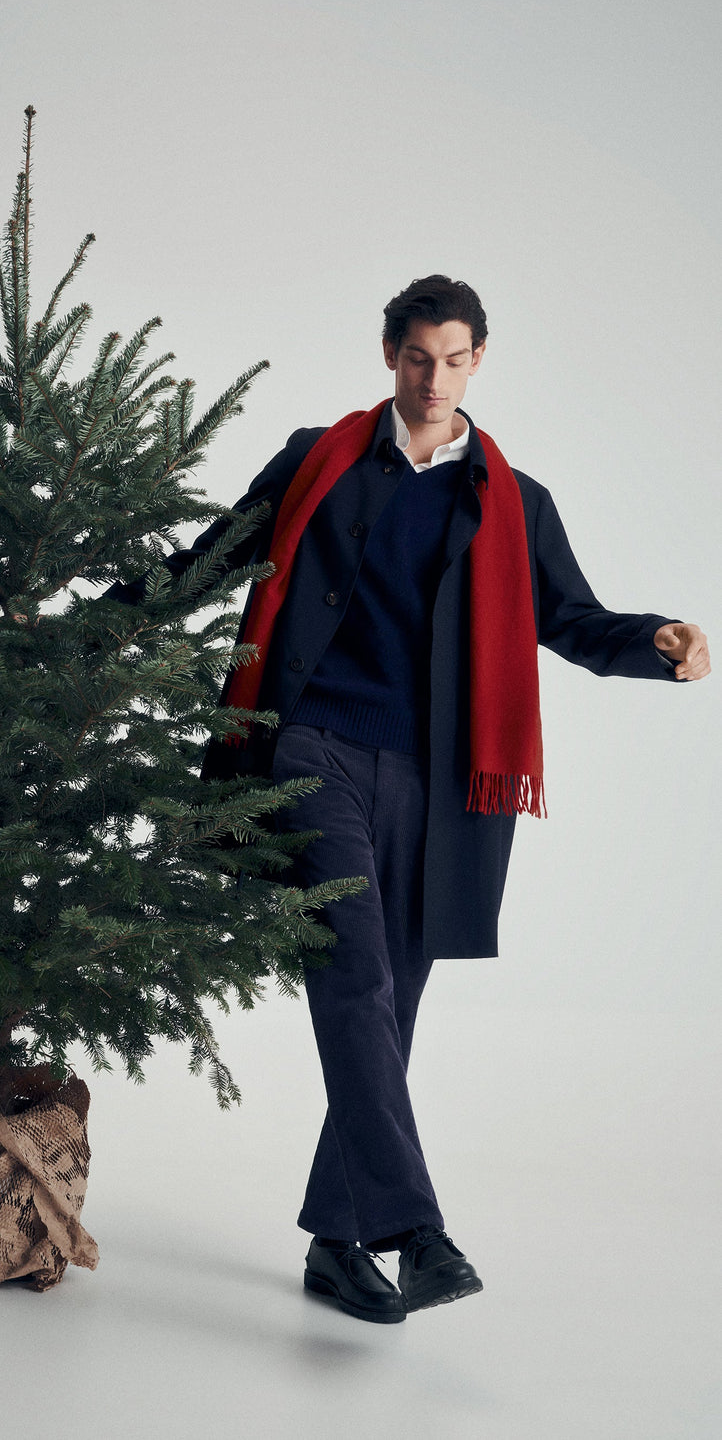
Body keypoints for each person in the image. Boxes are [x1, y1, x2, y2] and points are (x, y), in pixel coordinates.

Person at [116, 275, 710, 1323]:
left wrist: (654, 642)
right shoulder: (319, 460)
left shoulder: (513, 500)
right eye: (418, 358)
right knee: (350, 971)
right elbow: (214, 558)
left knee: (390, 1007)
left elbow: (570, 619)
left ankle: (337, 1243)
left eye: (454, 360)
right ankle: (415, 1232)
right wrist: (95, 623)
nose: (435, 379)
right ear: (389, 354)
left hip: (441, 786)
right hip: (313, 747)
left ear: (479, 361)